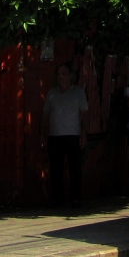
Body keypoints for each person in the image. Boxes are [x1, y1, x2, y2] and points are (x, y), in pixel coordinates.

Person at [43, 63, 89, 206]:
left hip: (73, 135)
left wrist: (84, 133)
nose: (61, 77)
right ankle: (58, 199)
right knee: (56, 169)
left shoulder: (78, 92)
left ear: (71, 76)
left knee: (75, 168)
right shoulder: (52, 93)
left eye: (64, 74)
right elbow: (45, 115)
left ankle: (76, 197)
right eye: (58, 74)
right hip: (55, 135)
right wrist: (42, 134)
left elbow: (85, 115)